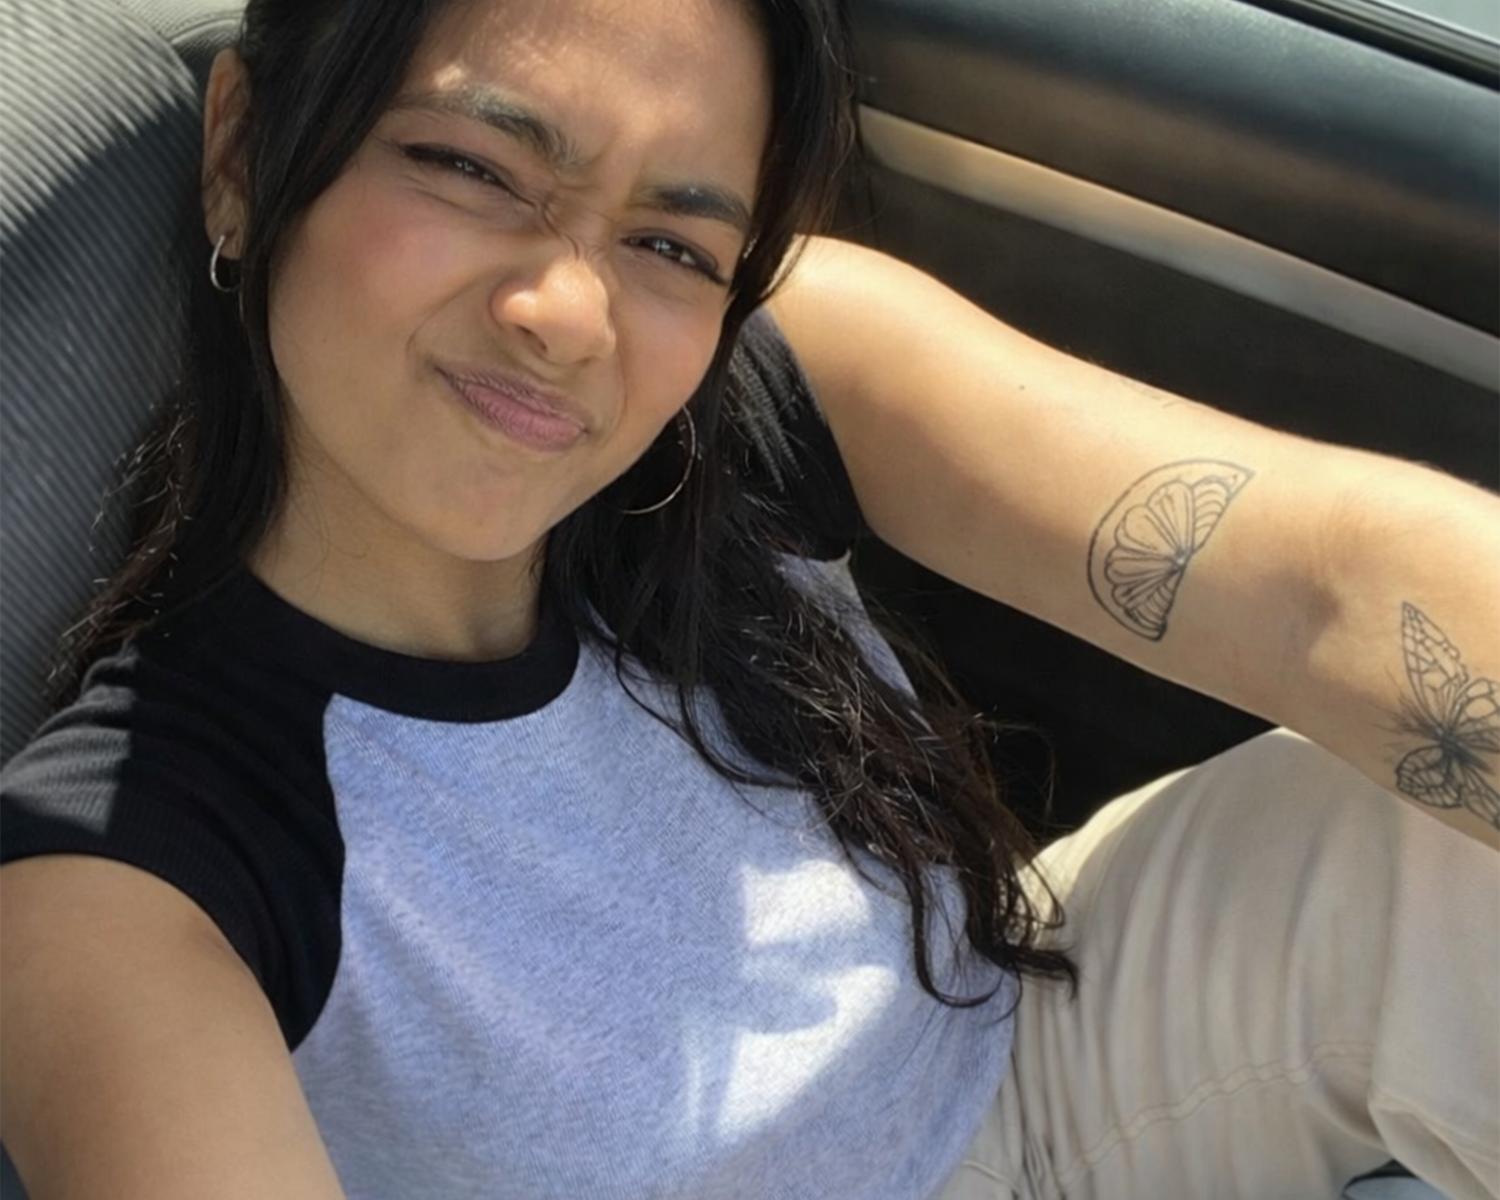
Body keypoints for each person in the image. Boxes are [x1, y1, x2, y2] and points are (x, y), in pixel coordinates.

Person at [0, 0, 1496, 1197]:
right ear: (244, 152)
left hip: (1037, 1048)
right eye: (472, 168)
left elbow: (1327, 581)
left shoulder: (762, 377)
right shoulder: (124, 891)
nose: (568, 315)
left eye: (670, 243)